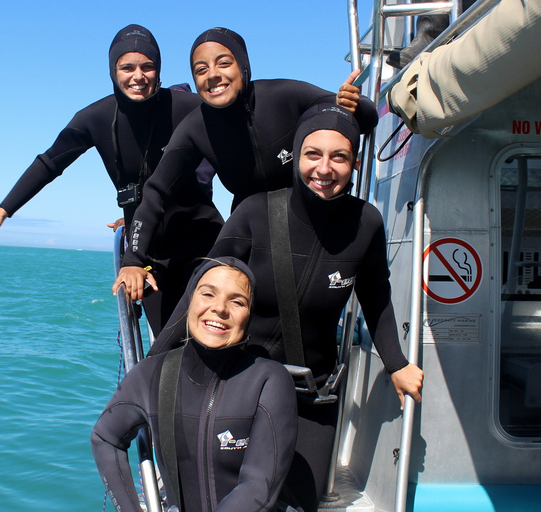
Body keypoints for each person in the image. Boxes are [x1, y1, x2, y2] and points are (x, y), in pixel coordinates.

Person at [149, 104, 424, 512]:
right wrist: (150, 369)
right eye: (313, 154)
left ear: (355, 163)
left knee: (297, 503)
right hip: (235, 384)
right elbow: (200, 292)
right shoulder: (255, 212)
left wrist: (397, 363)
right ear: (295, 155)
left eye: (339, 156)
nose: (324, 168)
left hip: (310, 394)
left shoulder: (366, 222)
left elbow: (375, 295)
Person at [0, 24, 223, 335]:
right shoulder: (95, 118)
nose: (138, 76)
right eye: (127, 67)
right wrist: (2, 213)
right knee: (169, 344)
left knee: (216, 336)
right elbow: (50, 163)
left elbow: (240, 126)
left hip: (201, 240)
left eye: (147, 67)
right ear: (113, 71)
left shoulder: (185, 107)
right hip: (146, 251)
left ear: (159, 69)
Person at [113, 27, 378, 303]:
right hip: (255, 239)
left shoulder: (283, 95)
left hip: (317, 228)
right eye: (201, 70)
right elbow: (156, 191)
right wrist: (133, 260)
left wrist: (355, 106)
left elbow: (365, 118)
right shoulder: (196, 128)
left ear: (243, 65)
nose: (213, 74)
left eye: (224, 63)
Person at [91, 257, 298, 512]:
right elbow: (105, 437)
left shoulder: (269, 379)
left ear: (248, 316)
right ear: (190, 302)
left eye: (237, 301)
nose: (220, 308)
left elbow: (258, 486)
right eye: (208, 294)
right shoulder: (151, 374)